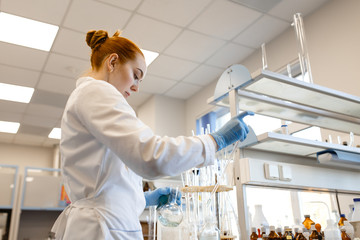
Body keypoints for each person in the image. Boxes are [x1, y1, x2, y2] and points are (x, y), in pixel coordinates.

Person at [50, 29, 253, 240]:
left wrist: (144, 199)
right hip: (102, 228)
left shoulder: (91, 97)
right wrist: (215, 141)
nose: (136, 87)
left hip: (104, 222)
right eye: (136, 75)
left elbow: (105, 180)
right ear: (112, 62)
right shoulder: (96, 92)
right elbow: (151, 155)